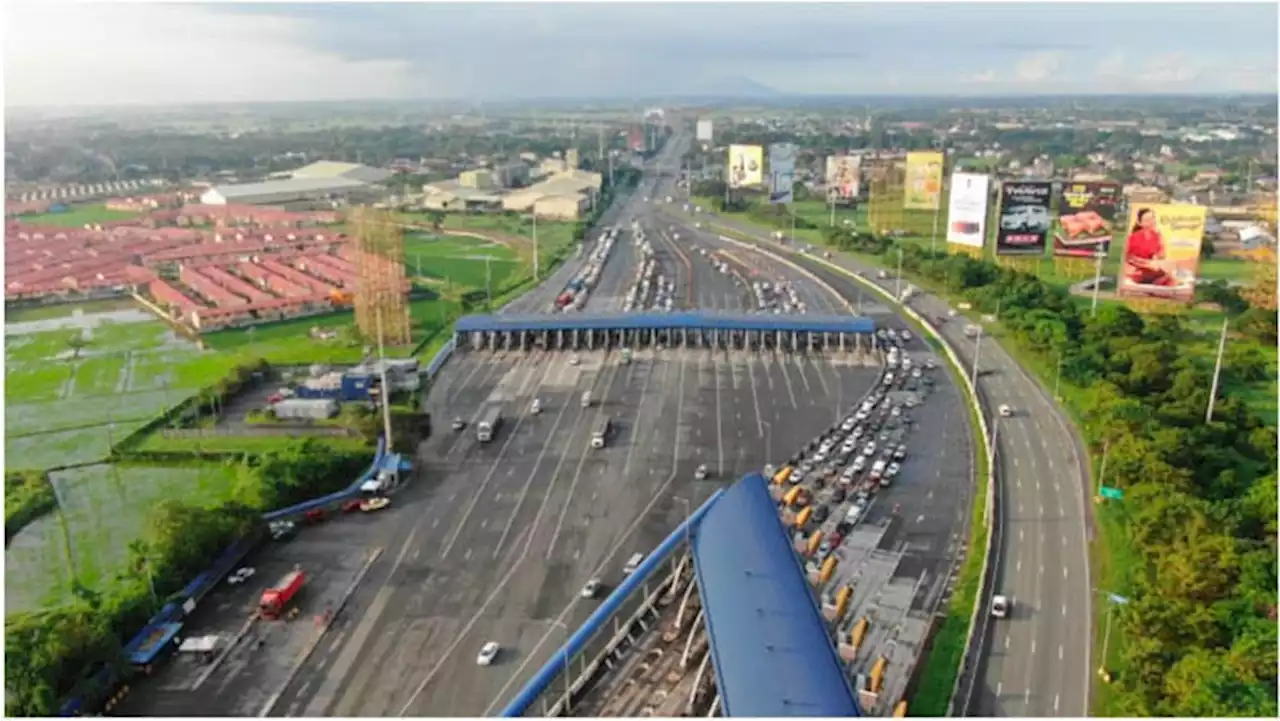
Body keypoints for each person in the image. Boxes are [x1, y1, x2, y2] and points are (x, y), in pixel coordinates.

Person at [1123, 208, 1175, 287]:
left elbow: (1160, 255)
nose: (1151, 222)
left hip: (1151, 270)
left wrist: (1161, 240)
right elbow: (1129, 258)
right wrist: (1147, 264)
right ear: (1140, 222)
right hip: (1138, 270)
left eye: (1153, 218)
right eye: (1147, 220)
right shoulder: (1134, 237)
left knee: (1171, 273)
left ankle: (1156, 284)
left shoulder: (1156, 236)